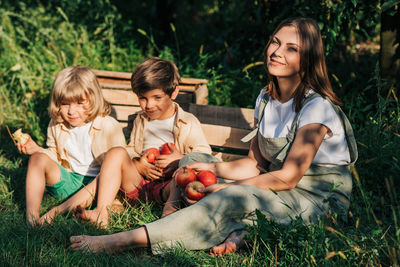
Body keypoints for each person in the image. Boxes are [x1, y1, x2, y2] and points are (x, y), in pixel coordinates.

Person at [69, 17, 357, 256]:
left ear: (307, 60)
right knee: (193, 158)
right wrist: (207, 168)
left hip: (316, 200)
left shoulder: (315, 107)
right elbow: (254, 165)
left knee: (234, 195)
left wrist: (230, 187)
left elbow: (289, 178)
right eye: (275, 42)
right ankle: (232, 229)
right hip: (276, 185)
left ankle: (124, 240)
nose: (277, 51)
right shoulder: (266, 99)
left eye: (291, 48)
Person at [39, 57, 212, 227]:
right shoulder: (141, 120)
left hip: (169, 187)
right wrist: (138, 163)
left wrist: (179, 160)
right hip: (139, 184)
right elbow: (131, 150)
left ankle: (168, 212)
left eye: (157, 97)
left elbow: (204, 155)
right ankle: (101, 213)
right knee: (116, 152)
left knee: (177, 180)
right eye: (143, 98)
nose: (149, 104)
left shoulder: (187, 122)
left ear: (174, 93)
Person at [17, 66, 126, 226]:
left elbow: (118, 167)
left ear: (93, 99)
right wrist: (37, 151)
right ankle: (32, 218)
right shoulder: (57, 124)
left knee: (105, 175)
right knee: (37, 158)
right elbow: (54, 155)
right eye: (65, 104)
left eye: (80, 103)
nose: (71, 111)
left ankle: (57, 211)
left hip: (99, 187)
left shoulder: (108, 126)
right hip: (69, 181)